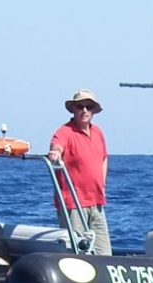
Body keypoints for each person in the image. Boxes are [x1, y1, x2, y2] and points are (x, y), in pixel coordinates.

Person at [45, 89, 110, 256]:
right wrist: (56, 153)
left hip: (96, 203)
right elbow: (57, 145)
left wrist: (102, 185)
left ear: (94, 110)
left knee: (104, 254)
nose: (84, 111)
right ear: (74, 109)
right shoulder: (65, 132)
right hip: (73, 205)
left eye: (88, 107)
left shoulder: (98, 132)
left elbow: (104, 158)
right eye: (80, 106)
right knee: (77, 254)